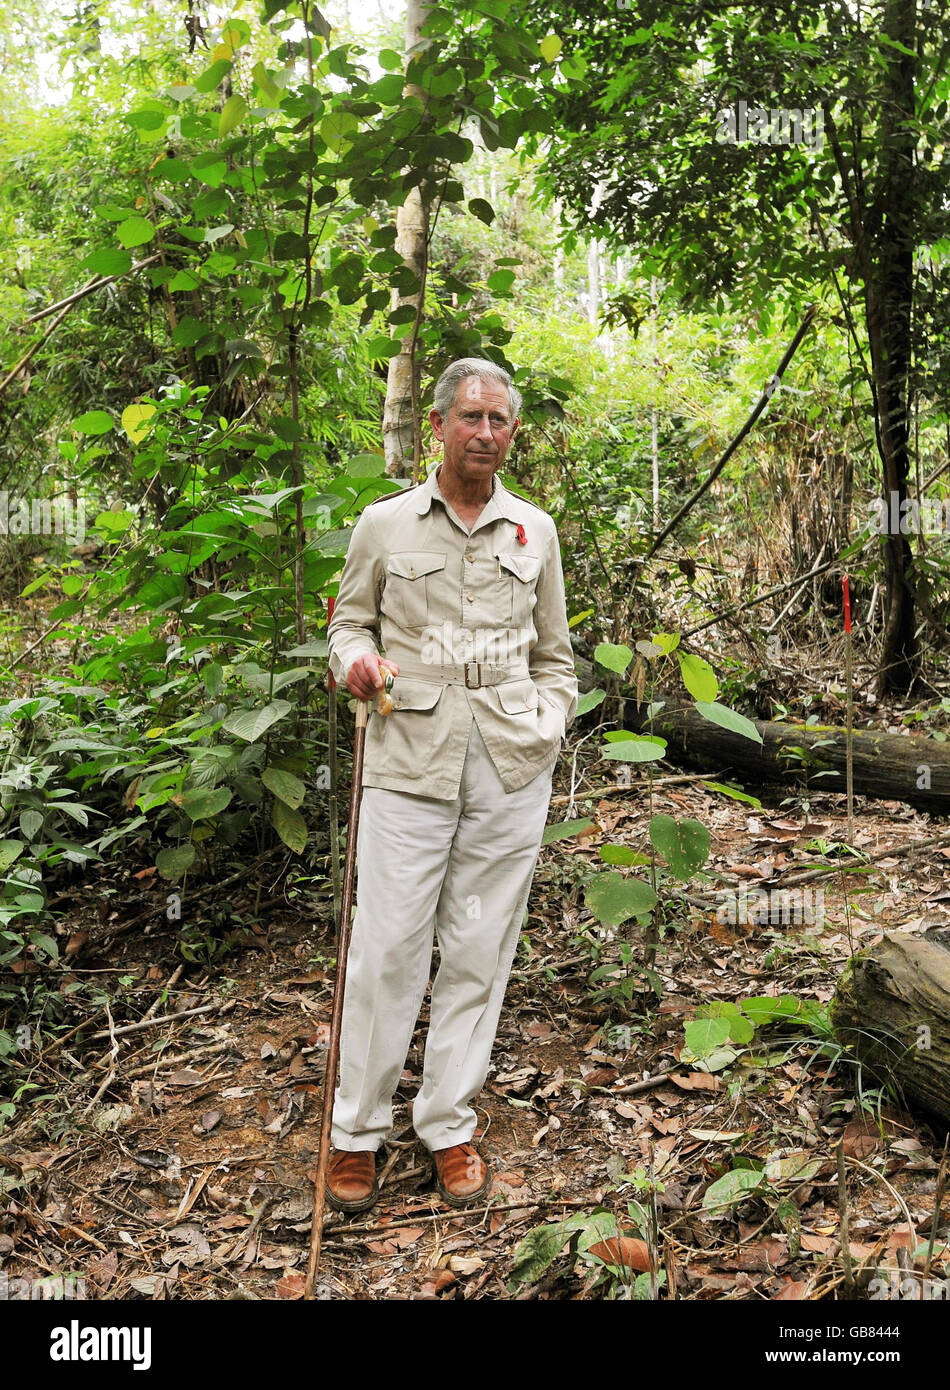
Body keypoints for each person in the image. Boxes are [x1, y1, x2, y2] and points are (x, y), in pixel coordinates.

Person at [324, 357, 578, 1211]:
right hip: (406, 761)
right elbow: (348, 622)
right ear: (437, 425)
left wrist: (548, 722)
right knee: (388, 947)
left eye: (499, 420)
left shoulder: (533, 531)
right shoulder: (384, 524)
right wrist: (354, 660)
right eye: (470, 417)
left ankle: (448, 1124)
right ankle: (357, 1131)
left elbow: (557, 657)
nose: (485, 433)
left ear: (513, 431)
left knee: (479, 952)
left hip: (510, 766)